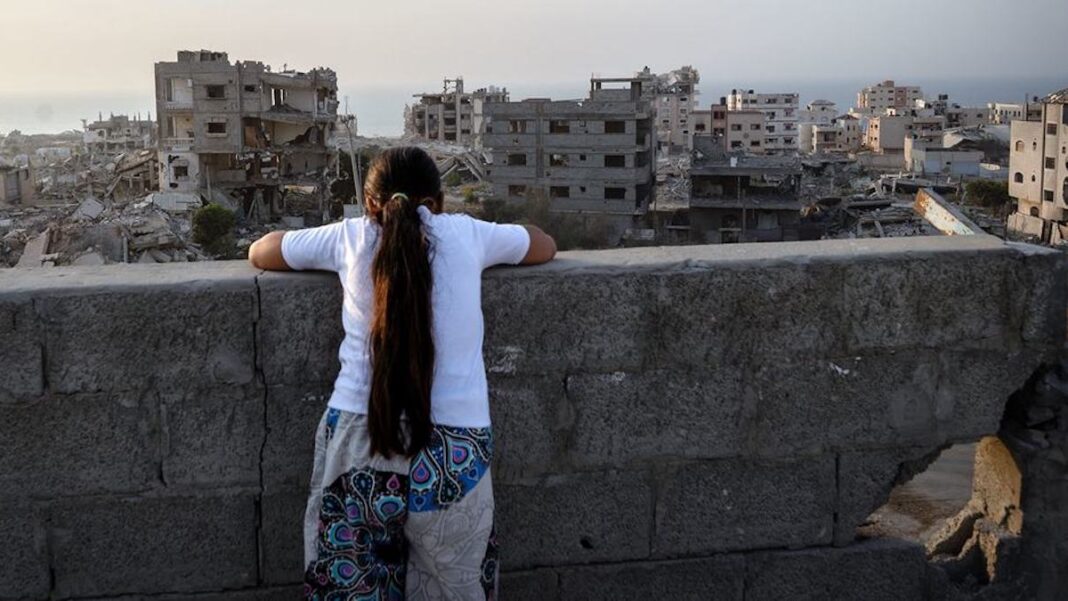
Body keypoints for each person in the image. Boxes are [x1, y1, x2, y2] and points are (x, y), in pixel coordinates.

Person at [248, 146, 556, 600]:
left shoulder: (349, 237)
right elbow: (543, 243)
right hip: (455, 452)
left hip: (360, 435)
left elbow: (262, 250)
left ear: (370, 203)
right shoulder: (468, 234)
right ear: (439, 202)